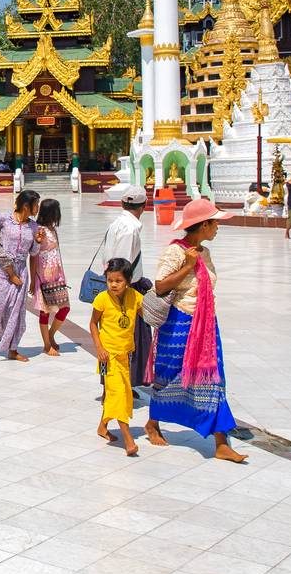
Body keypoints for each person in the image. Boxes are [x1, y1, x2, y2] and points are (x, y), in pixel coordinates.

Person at [145, 198, 246, 463]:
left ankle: (221, 442)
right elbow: (161, 285)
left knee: (213, 379)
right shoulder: (176, 252)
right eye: (214, 224)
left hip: (206, 325)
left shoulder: (205, 252)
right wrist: (188, 267)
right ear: (203, 226)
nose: (217, 228)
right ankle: (153, 423)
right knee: (168, 374)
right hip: (179, 323)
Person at [99, 185, 153, 387]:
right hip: (124, 291)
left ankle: (120, 382)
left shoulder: (117, 224)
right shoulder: (130, 230)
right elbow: (122, 265)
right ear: (145, 205)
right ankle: (118, 383)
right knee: (126, 337)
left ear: (123, 203)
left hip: (118, 288)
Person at [91, 257, 142, 456]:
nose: (113, 284)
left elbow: (148, 314)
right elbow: (92, 324)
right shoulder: (102, 299)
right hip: (107, 357)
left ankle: (103, 427)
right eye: (110, 280)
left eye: (118, 280)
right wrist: (99, 348)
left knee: (119, 393)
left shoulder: (135, 297)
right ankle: (128, 440)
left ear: (128, 280)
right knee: (118, 394)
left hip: (125, 355)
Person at [0, 189, 39, 362]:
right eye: (35, 204)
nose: (37, 207)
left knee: (17, 310)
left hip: (21, 269)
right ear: (25, 205)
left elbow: (34, 253)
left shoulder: (34, 226)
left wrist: (37, 241)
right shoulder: (4, 219)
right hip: (1, 268)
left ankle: (13, 349)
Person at [31, 199, 70, 357]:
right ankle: (47, 345)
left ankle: (51, 334)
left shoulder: (53, 229)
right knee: (45, 311)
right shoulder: (40, 230)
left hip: (57, 274)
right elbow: (34, 254)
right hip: (43, 274)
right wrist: (34, 279)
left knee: (64, 308)